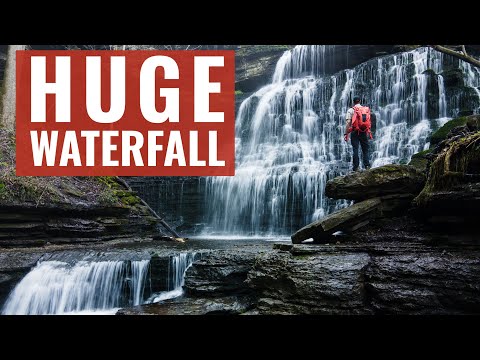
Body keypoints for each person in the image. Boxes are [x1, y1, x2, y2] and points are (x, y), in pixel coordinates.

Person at [344, 96, 372, 171]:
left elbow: (348, 122)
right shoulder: (365, 109)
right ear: (360, 101)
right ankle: (367, 165)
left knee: (355, 149)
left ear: (353, 102)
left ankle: (356, 167)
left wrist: (346, 133)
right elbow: (368, 121)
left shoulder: (351, 110)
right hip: (363, 131)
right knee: (365, 149)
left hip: (354, 131)